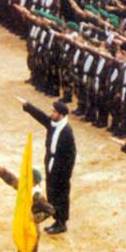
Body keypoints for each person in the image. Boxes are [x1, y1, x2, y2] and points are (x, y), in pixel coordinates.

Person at [18, 98, 76, 234]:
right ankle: (57, 219)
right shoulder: (53, 123)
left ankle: (61, 222)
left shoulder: (67, 132)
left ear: (60, 114)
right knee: (52, 193)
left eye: (54, 112)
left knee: (61, 195)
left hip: (61, 169)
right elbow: (41, 116)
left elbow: (71, 156)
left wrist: (65, 175)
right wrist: (27, 106)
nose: (51, 114)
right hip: (51, 164)